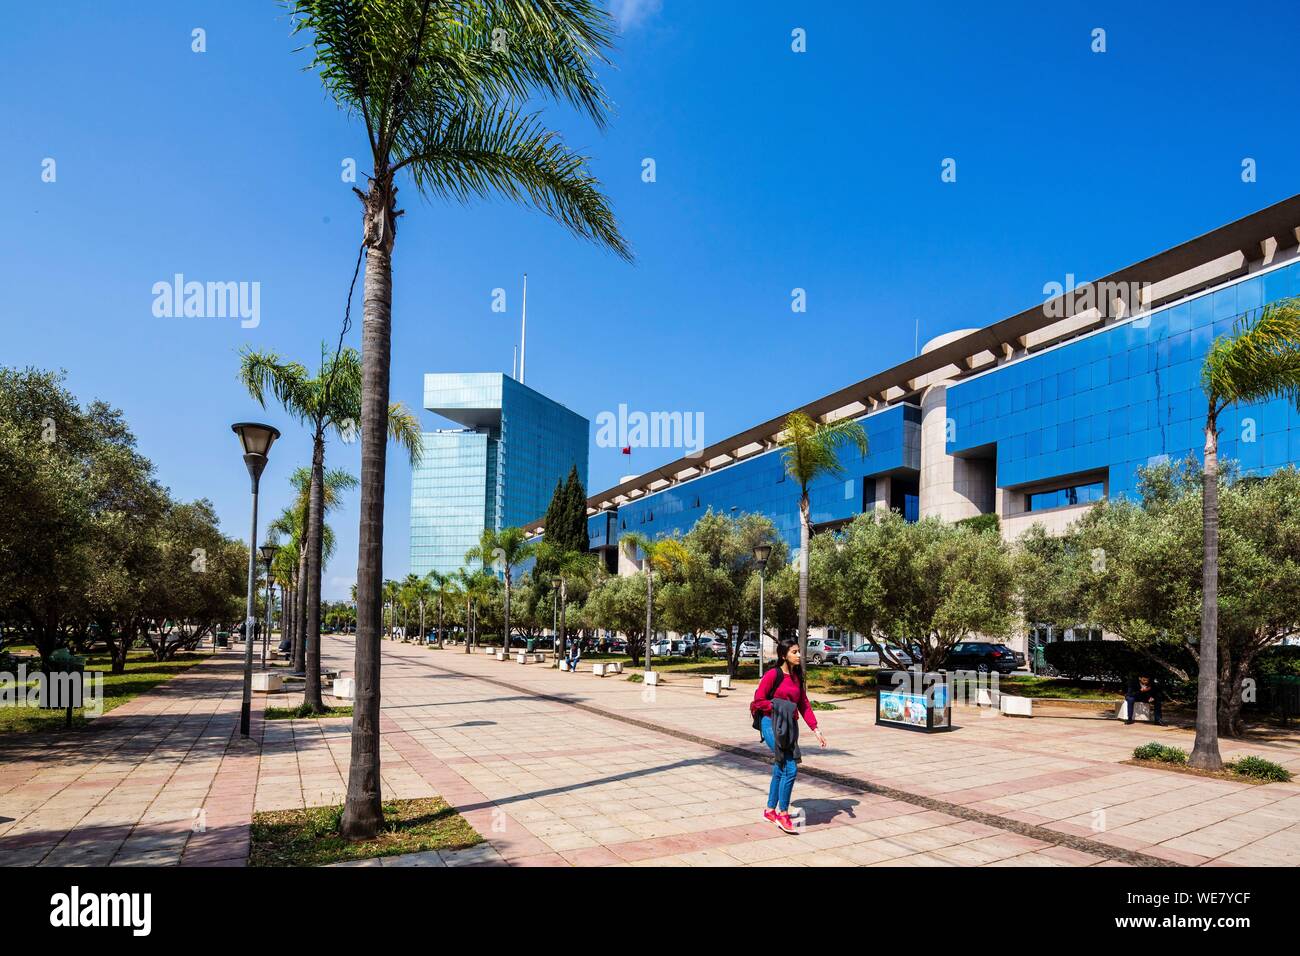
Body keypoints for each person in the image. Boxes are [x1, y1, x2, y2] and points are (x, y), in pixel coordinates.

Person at [749, 638, 827, 834]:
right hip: (770, 723)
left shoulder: (797, 678)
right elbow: (759, 700)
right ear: (783, 655)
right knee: (790, 768)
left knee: (780, 766)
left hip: (789, 726)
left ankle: (769, 810)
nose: (799, 655)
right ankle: (783, 814)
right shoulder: (772, 675)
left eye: (799, 651)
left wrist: (816, 730)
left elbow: (804, 705)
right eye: (794, 652)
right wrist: (777, 707)